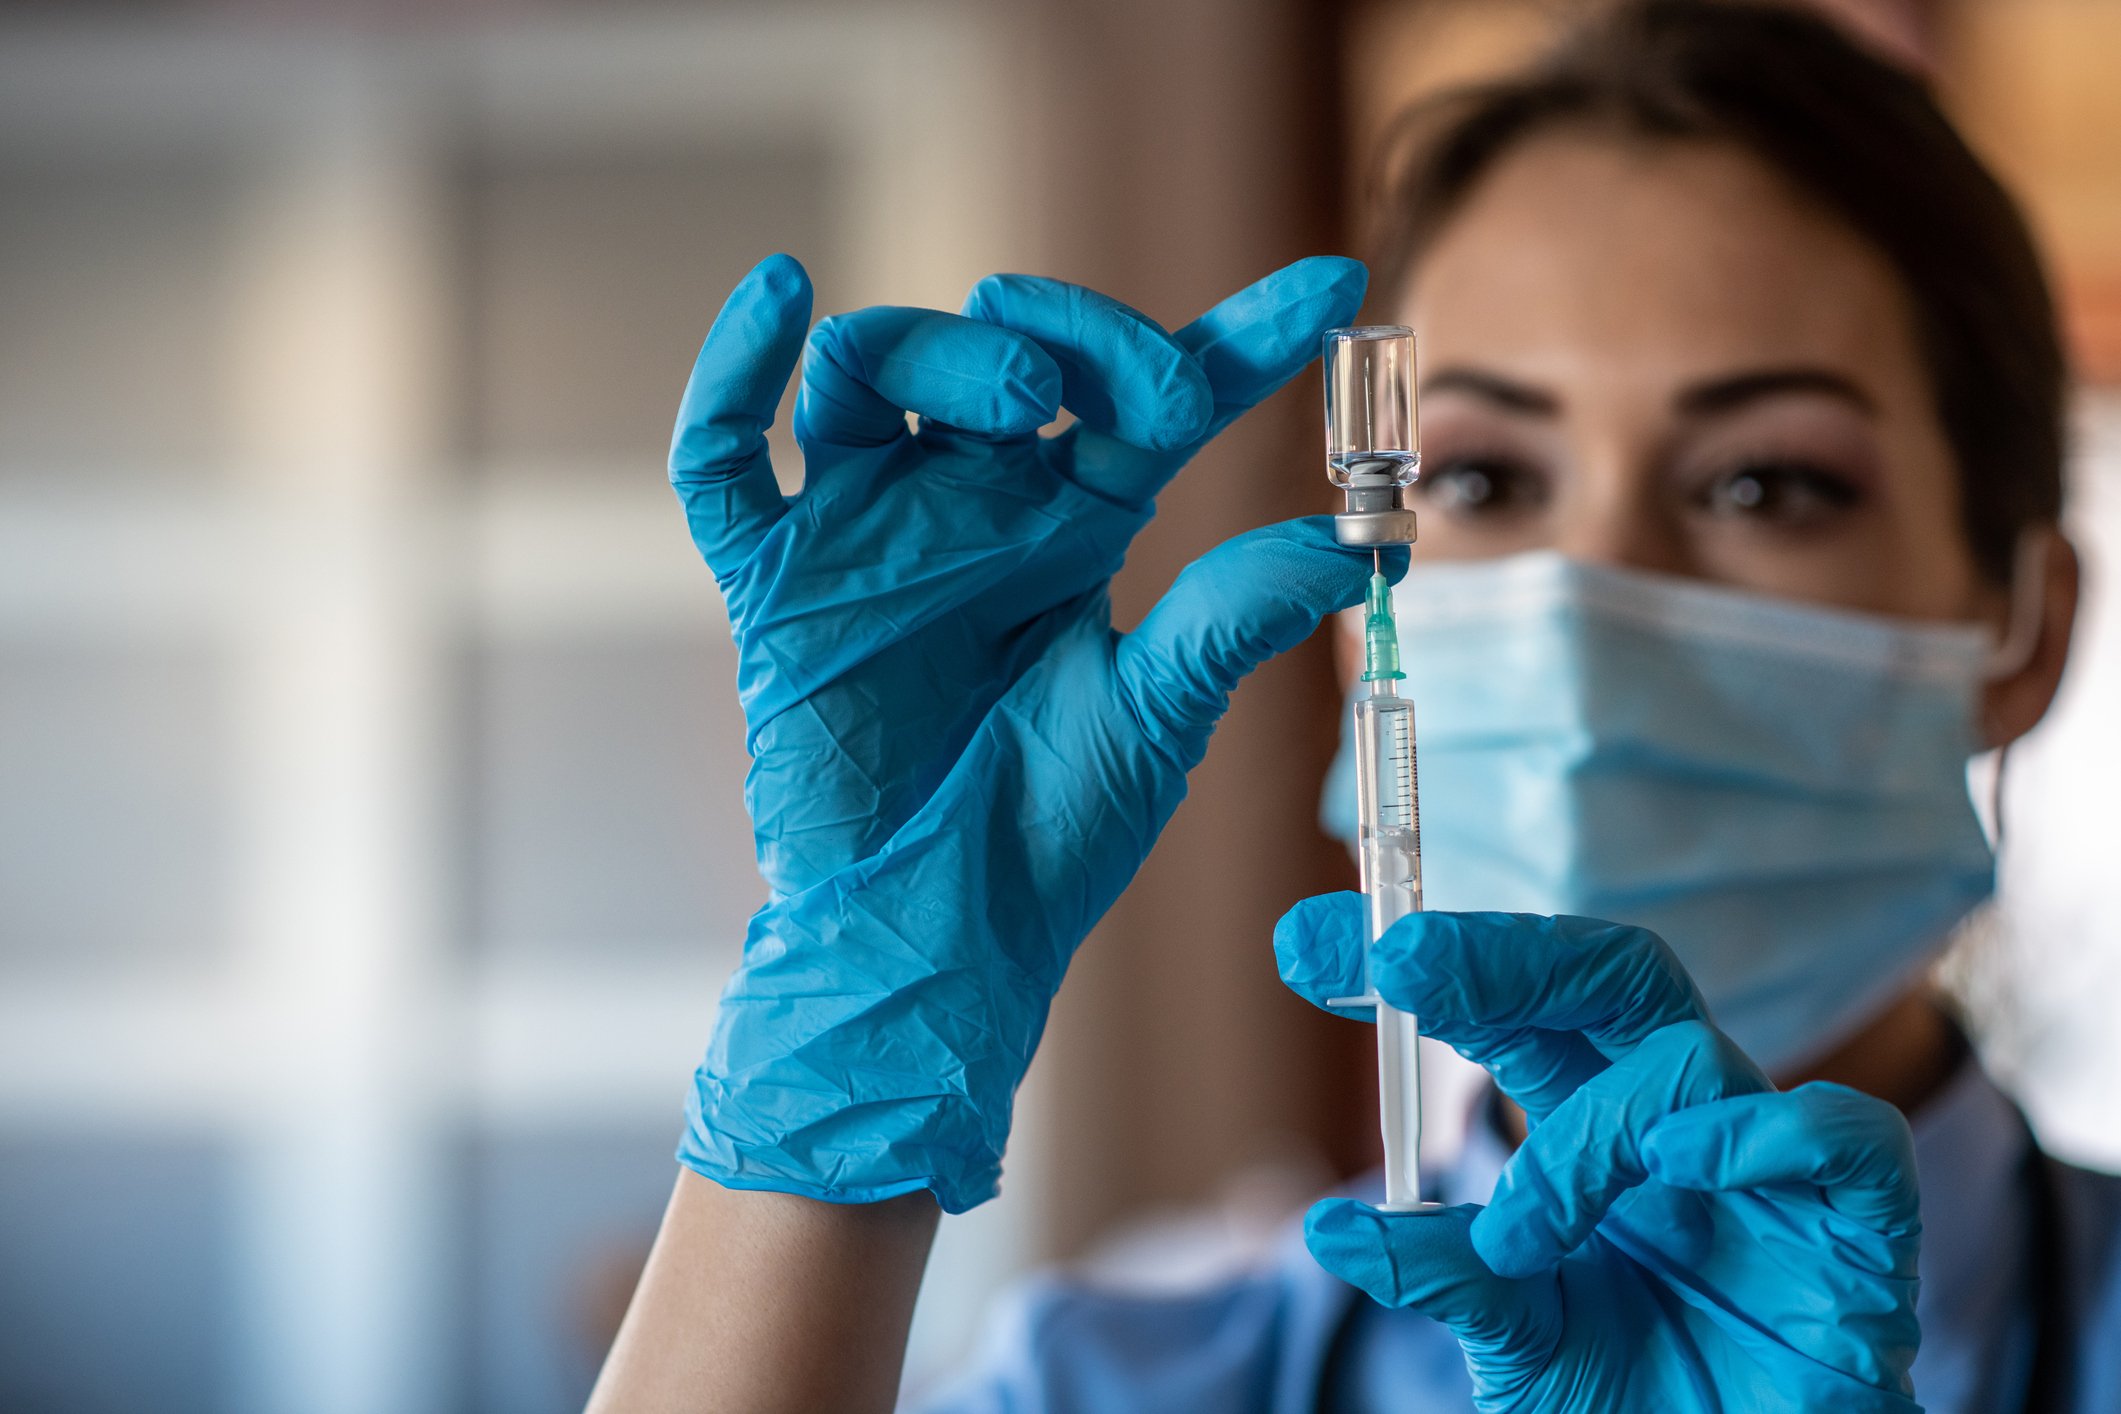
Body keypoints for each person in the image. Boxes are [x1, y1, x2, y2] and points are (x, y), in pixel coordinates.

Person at [586, 3, 2121, 1410]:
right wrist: (840, 1061)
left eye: (1761, 482)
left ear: (2020, 628)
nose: (1583, 598)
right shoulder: (1120, 1380)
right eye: (1476, 477)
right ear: (1350, 619)